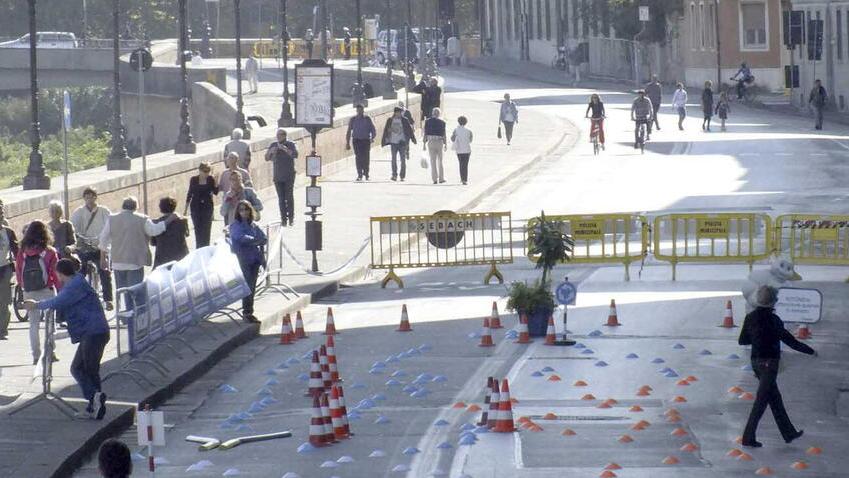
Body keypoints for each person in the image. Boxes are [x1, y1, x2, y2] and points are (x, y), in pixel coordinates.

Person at [24, 258, 110, 420]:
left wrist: (36, 305)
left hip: (93, 332)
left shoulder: (74, 286)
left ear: (61, 274)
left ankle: (94, 400)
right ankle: (95, 403)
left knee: (85, 369)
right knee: (82, 369)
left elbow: (58, 301)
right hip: (93, 331)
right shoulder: (77, 282)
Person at [738, 285, 816, 448]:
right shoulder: (775, 321)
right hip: (770, 363)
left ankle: (789, 433)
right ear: (774, 302)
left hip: (756, 363)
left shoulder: (750, 317)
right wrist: (810, 351)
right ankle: (748, 437)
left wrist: (757, 337)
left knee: (775, 398)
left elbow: (743, 340)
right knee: (761, 402)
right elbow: (790, 341)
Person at [99, 197, 170, 311]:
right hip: (135, 261)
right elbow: (155, 230)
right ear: (136, 207)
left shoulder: (112, 219)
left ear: (123, 206)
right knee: (135, 291)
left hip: (117, 261)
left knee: (123, 290)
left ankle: (127, 313)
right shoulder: (142, 219)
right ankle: (135, 315)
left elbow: (103, 239)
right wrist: (169, 220)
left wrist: (103, 258)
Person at [16, 220, 59, 365]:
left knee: (33, 324)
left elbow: (18, 269)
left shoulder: (23, 251)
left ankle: (36, 355)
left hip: (29, 291)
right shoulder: (50, 251)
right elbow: (54, 273)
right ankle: (51, 352)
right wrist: (59, 289)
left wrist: (23, 286)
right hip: (46, 289)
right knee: (50, 323)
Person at [70, 188, 113, 310]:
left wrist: (105, 240)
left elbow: (110, 227)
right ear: (84, 198)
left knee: (104, 270)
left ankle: (108, 299)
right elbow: (73, 227)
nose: (89, 199)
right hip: (83, 246)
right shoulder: (78, 212)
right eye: (87, 197)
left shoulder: (104, 211)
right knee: (79, 271)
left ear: (96, 197)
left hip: (100, 246)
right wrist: (77, 237)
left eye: (91, 196)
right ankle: (77, 297)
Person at [228, 200, 267, 324]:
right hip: (243, 259)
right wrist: (255, 241)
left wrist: (256, 240)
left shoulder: (253, 225)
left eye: (246, 209)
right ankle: (247, 312)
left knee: (252, 286)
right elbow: (241, 238)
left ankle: (249, 311)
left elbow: (263, 238)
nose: (243, 212)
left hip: (255, 259)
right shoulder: (235, 225)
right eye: (241, 210)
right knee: (248, 286)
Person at [265, 128, 298, 226]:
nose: (278, 137)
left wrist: (284, 149)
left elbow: (295, 155)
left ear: (284, 136)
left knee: (289, 197)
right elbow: (266, 158)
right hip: (278, 176)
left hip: (289, 175)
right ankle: (283, 219)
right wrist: (271, 151)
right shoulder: (273, 145)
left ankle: (291, 218)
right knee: (281, 198)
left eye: (280, 135)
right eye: (277, 135)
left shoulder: (291, 144)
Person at [184, 162, 218, 248]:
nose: (206, 173)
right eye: (205, 171)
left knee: (206, 230)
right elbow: (190, 194)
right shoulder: (194, 179)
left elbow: (216, 192)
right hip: (195, 207)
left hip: (207, 207)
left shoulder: (210, 179)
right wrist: (185, 209)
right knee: (198, 229)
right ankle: (199, 248)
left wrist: (216, 182)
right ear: (200, 170)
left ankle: (206, 247)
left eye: (208, 171)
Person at [381, 106, 417, 181]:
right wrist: (384, 140)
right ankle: (394, 175)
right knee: (393, 159)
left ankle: (402, 176)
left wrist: (413, 139)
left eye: (400, 112)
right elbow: (385, 130)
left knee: (403, 160)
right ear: (395, 112)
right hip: (393, 142)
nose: (399, 114)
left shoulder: (405, 120)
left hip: (402, 142)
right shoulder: (390, 120)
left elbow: (409, 130)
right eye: (398, 112)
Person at [151, 197, 189, 268]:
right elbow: (187, 234)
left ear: (161, 208)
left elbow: (153, 243)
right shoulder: (183, 220)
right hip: (181, 257)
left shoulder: (155, 222)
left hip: (162, 259)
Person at [0, 200, 18, 340]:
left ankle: (2, 330)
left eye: (1, 212)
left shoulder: (9, 232)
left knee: (5, 300)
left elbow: (17, 252)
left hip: (5, 268)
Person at [346, 104, 377, 181]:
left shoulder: (367, 119)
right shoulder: (353, 119)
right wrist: (347, 142)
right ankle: (359, 174)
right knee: (358, 157)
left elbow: (373, 129)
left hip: (365, 140)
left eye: (361, 110)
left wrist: (372, 137)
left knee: (366, 157)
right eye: (358, 110)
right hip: (356, 140)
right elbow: (349, 131)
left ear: (363, 110)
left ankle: (366, 174)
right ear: (356, 111)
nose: (360, 112)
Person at [424, 107, 447, 184]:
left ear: (433, 113)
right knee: (440, 161)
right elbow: (444, 134)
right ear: (439, 114)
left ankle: (434, 179)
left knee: (432, 161)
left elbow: (425, 133)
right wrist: (445, 144)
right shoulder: (442, 122)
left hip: (430, 141)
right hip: (439, 141)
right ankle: (441, 178)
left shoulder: (427, 121)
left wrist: (424, 144)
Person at [451, 116, 473, 185]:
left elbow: (452, 139)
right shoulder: (469, 130)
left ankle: (462, 178)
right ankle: (465, 179)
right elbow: (470, 140)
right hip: (467, 150)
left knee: (461, 164)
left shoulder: (455, 130)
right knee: (465, 165)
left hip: (459, 150)